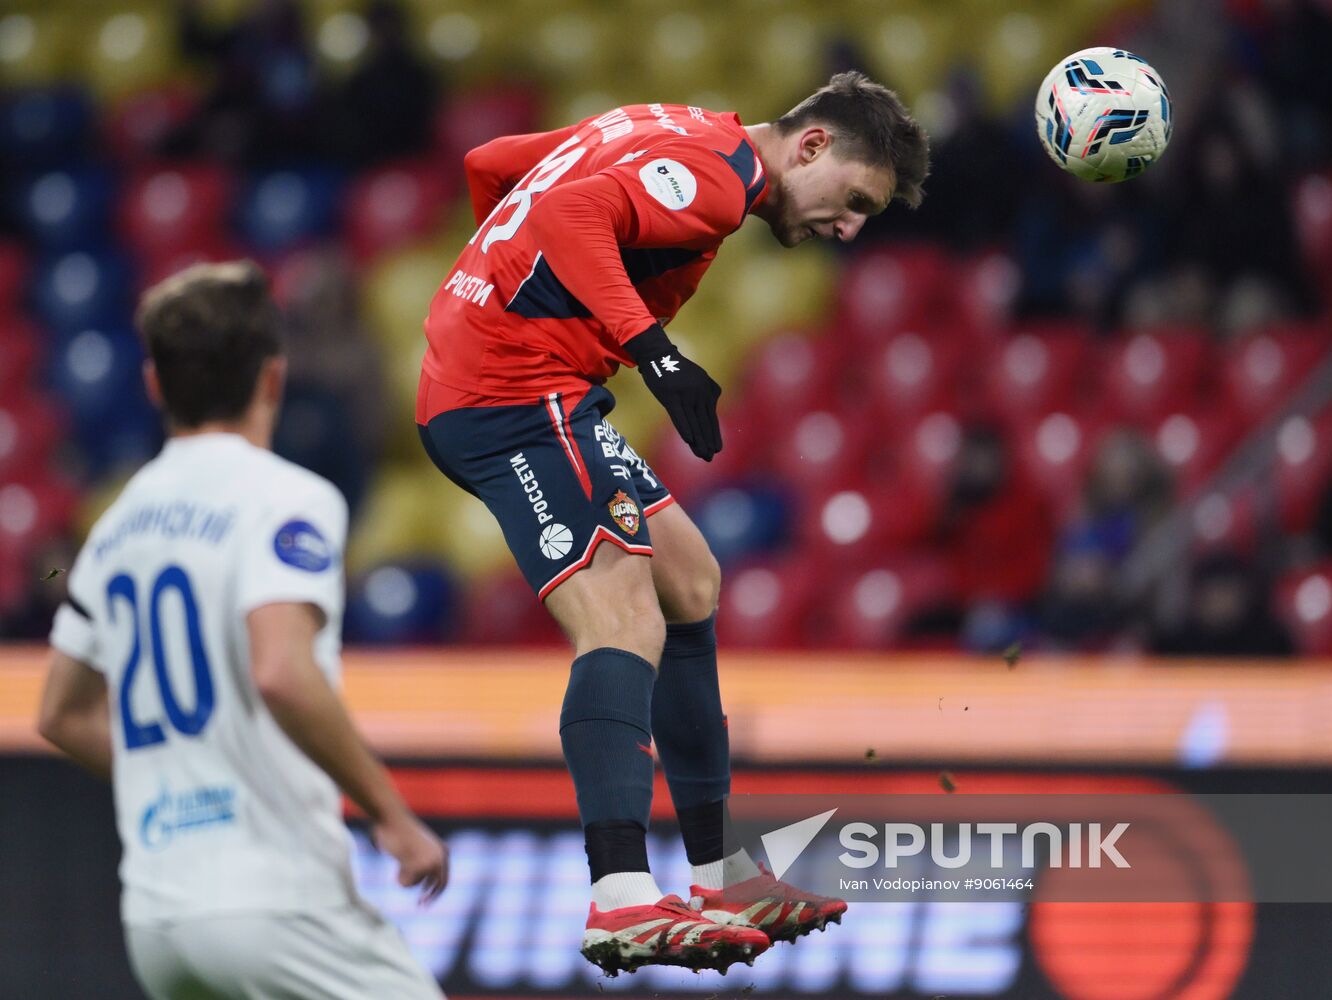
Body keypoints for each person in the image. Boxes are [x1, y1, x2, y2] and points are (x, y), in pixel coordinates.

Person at [417, 72, 929, 974]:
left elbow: (492, 165)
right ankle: (619, 901)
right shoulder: (718, 183)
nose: (847, 229)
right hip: (511, 396)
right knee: (621, 619)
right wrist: (648, 351)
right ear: (810, 144)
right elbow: (572, 215)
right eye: (853, 201)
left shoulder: (673, 122)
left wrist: (488, 291)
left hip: (531, 381)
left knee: (688, 579)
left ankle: (723, 872)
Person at [37, 261, 449, 1000]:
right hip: (275, 902)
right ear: (272, 378)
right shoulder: (287, 500)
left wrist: (176, 776)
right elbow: (281, 671)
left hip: (159, 923)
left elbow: (60, 714)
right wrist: (392, 815)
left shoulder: (116, 526)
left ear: (155, 385)